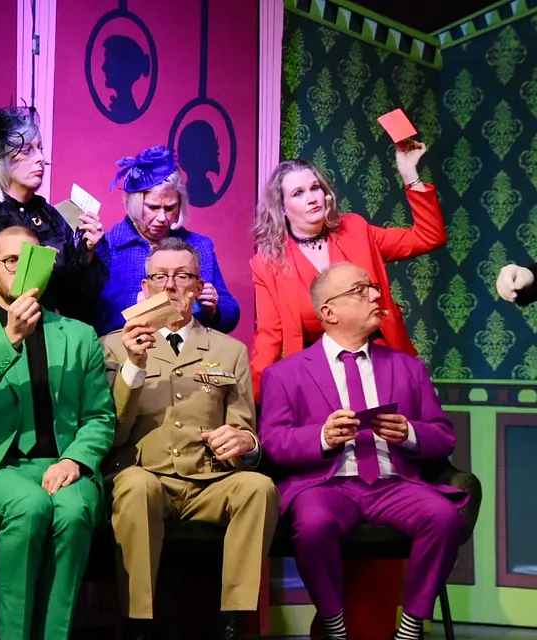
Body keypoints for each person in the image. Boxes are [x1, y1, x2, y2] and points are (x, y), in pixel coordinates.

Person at [258, 262, 468, 640]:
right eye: (360, 290)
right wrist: (322, 437)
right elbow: (272, 442)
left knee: (444, 517)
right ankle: (334, 626)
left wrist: (409, 433)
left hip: (394, 484)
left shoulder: (408, 368)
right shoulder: (285, 374)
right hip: (326, 486)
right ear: (329, 312)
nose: (374, 295)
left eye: (372, 287)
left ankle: (410, 627)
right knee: (314, 524)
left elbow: (444, 437)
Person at [0, 226, 116, 640]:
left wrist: (75, 459)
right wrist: (9, 337)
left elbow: (99, 416)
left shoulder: (79, 335)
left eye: (34, 260)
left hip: (63, 464)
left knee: (73, 513)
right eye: (12, 261)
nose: (23, 269)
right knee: (29, 507)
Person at [100, 237, 279, 640]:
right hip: (147, 475)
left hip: (209, 482)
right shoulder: (113, 346)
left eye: (182, 276)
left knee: (259, 488)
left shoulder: (230, 350)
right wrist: (134, 366)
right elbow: (111, 432)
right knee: (135, 485)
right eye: (159, 277)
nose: (170, 285)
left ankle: (235, 619)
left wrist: (246, 443)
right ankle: (138, 622)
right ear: (145, 287)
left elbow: (244, 426)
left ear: (198, 287)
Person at [250, 141, 446, 400]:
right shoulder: (267, 263)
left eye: (315, 188)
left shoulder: (356, 229)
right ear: (282, 208)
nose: (311, 198)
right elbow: (269, 337)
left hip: (382, 364)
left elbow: (429, 236)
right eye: (298, 193)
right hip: (318, 380)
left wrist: (410, 174)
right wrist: (253, 402)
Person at [0, 106, 106, 323]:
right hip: (0, 336)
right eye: (27, 150)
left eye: (40, 148)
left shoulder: (51, 218)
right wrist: (30, 273)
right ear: (0, 160)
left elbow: (74, 303)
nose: (41, 158)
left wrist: (87, 254)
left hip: (49, 334)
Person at [94, 144, 239, 336]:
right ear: (133, 203)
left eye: (170, 208)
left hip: (189, 350)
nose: (162, 218)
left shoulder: (200, 246)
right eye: (153, 207)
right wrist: (135, 303)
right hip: (126, 349)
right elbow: (89, 315)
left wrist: (215, 309)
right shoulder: (108, 247)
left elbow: (232, 311)